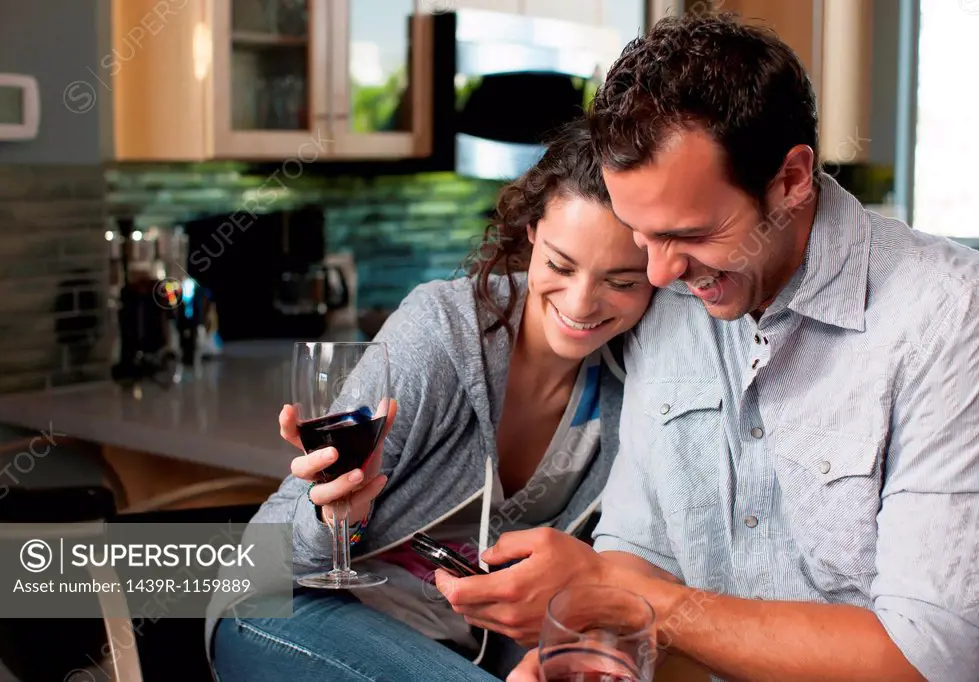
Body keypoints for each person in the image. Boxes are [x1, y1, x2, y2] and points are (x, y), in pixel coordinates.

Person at [433, 12, 979, 682]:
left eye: (690, 232)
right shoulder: (676, 295)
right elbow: (637, 549)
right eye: (641, 233)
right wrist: (578, 651)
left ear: (793, 181)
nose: (658, 273)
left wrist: (617, 596)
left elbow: (931, 661)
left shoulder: (961, 319)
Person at [206, 120, 654, 682]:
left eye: (622, 281)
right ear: (533, 234)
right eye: (561, 265)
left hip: (458, 654)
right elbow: (270, 550)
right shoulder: (440, 335)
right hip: (286, 612)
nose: (582, 302)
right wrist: (333, 515)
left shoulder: (634, 386)